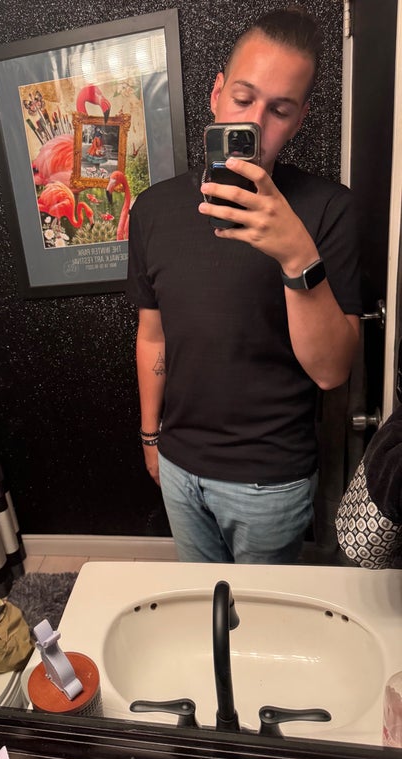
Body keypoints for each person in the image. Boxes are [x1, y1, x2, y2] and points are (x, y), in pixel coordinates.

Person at [126, 7, 362, 564]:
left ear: (299, 120)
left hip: (270, 480)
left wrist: (296, 254)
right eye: (242, 98)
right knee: (205, 600)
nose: (255, 123)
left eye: (279, 110)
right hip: (179, 465)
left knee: (260, 611)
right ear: (216, 94)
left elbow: (332, 371)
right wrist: (150, 437)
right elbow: (153, 335)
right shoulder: (153, 210)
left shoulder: (328, 210)